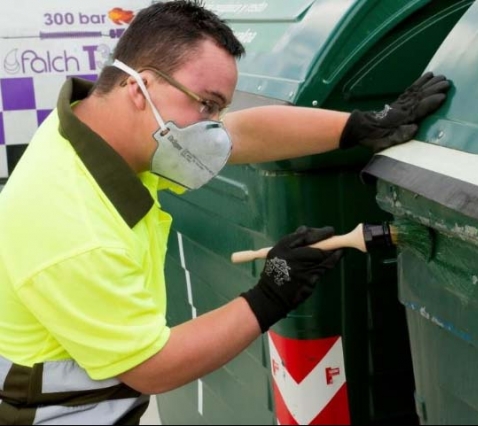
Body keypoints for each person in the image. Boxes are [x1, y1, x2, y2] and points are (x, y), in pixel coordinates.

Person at [0, 1, 451, 424]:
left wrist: (365, 125)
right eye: (208, 104)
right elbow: (152, 366)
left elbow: (243, 134)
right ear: (139, 87)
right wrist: (272, 294)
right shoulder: (74, 223)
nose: (214, 127)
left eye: (219, 108)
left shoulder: (98, 128)